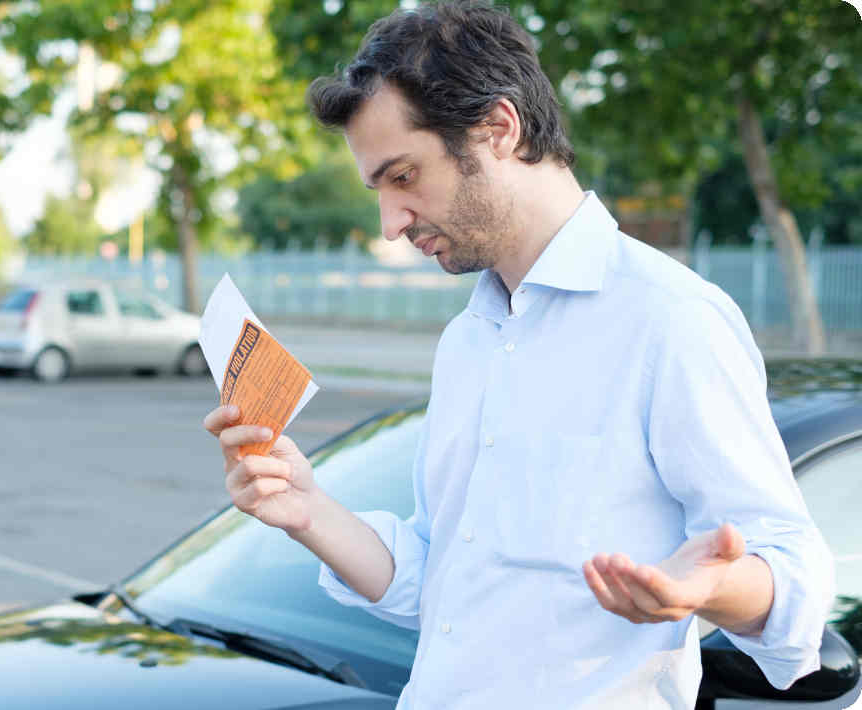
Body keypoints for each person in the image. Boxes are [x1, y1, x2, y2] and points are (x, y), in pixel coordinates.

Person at [203, 2, 834, 707]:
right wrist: (308, 509)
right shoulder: (466, 340)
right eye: (378, 189)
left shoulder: (673, 320)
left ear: (498, 129)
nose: (390, 223)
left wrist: (710, 587)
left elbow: (792, 574)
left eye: (403, 177)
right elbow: (442, 582)